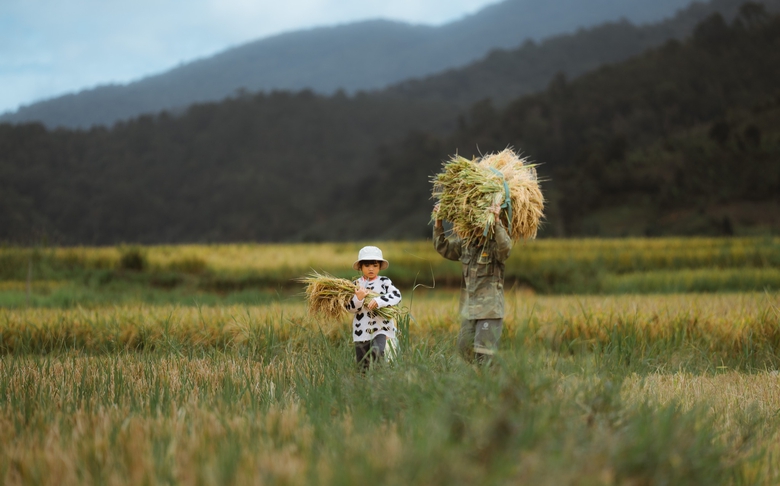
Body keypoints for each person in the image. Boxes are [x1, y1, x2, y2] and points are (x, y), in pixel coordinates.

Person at [433, 203, 512, 363]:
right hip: (470, 310)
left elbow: (506, 248)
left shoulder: (494, 246)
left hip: (489, 310)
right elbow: (444, 248)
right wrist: (438, 222)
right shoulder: (466, 245)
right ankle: (478, 381)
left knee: (484, 354)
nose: (475, 227)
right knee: (464, 349)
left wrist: (497, 221)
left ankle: (491, 383)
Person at [347, 246, 402, 370]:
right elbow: (350, 308)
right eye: (367, 265)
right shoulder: (355, 285)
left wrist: (379, 301)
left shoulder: (384, 282)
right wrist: (359, 298)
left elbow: (396, 296)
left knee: (378, 352)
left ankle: (380, 378)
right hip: (361, 330)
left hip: (381, 328)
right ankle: (363, 384)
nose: (371, 269)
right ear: (360, 267)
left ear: (379, 266)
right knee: (362, 363)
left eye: (375, 265)